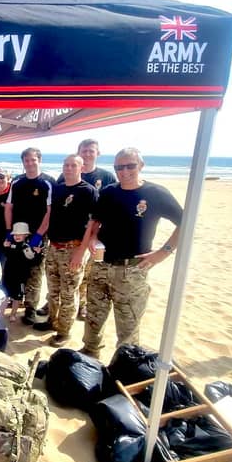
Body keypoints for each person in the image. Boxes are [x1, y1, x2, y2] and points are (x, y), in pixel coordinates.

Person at [80, 147, 182, 359]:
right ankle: (89, 356)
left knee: (128, 326)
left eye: (130, 166)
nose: (123, 171)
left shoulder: (156, 193)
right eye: (119, 167)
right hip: (101, 265)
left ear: (141, 166)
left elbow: (186, 224)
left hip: (133, 270)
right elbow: (95, 222)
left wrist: (163, 253)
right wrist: (93, 238)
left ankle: (124, 366)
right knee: (93, 318)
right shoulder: (109, 192)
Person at [56, 138, 117, 320]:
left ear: (98, 153)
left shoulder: (106, 177)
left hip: (95, 236)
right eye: (84, 150)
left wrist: (94, 236)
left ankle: (81, 305)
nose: (88, 154)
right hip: (70, 237)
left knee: (86, 273)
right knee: (70, 275)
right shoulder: (65, 176)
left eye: (91, 151)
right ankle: (60, 304)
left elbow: (107, 209)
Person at [44, 155, 98, 347]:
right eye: (66, 164)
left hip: (73, 249)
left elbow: (93, 224)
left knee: (69, 293)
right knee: (52, 290)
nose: (68, 168)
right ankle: (52, 321)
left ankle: (64, 332)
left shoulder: (88, 191)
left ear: (81, 168)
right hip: (54, 247)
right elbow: (50, 216)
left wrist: (81, 251)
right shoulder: (57, 189)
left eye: (73, 165)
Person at [4, 147, 53, 326]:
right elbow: (9, 207)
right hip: (17, 234)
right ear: (23, 162)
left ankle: (30, 308)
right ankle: (14, 298)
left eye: (33, 160)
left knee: (34, 272)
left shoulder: (48, 182)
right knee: (14, 269)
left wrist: (38, 236)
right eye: (26, 160)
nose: (30, 163)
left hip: (37, 235)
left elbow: (50, 211)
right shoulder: (17, 182)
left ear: (39, 160)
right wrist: (9, 232)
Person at [2, 222, 41, 322]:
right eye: (15, 234)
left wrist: (37, 254)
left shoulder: (27, 248)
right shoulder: (11, 245)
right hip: (8, 276)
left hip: (20, 279)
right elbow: (7, 255)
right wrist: (5, 247)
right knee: (5, 295)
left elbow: (33, 262)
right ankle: (1, 312)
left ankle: (13, 314)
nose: (17, 236)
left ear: (26, 235)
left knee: (17, 297)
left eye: (20, 234)